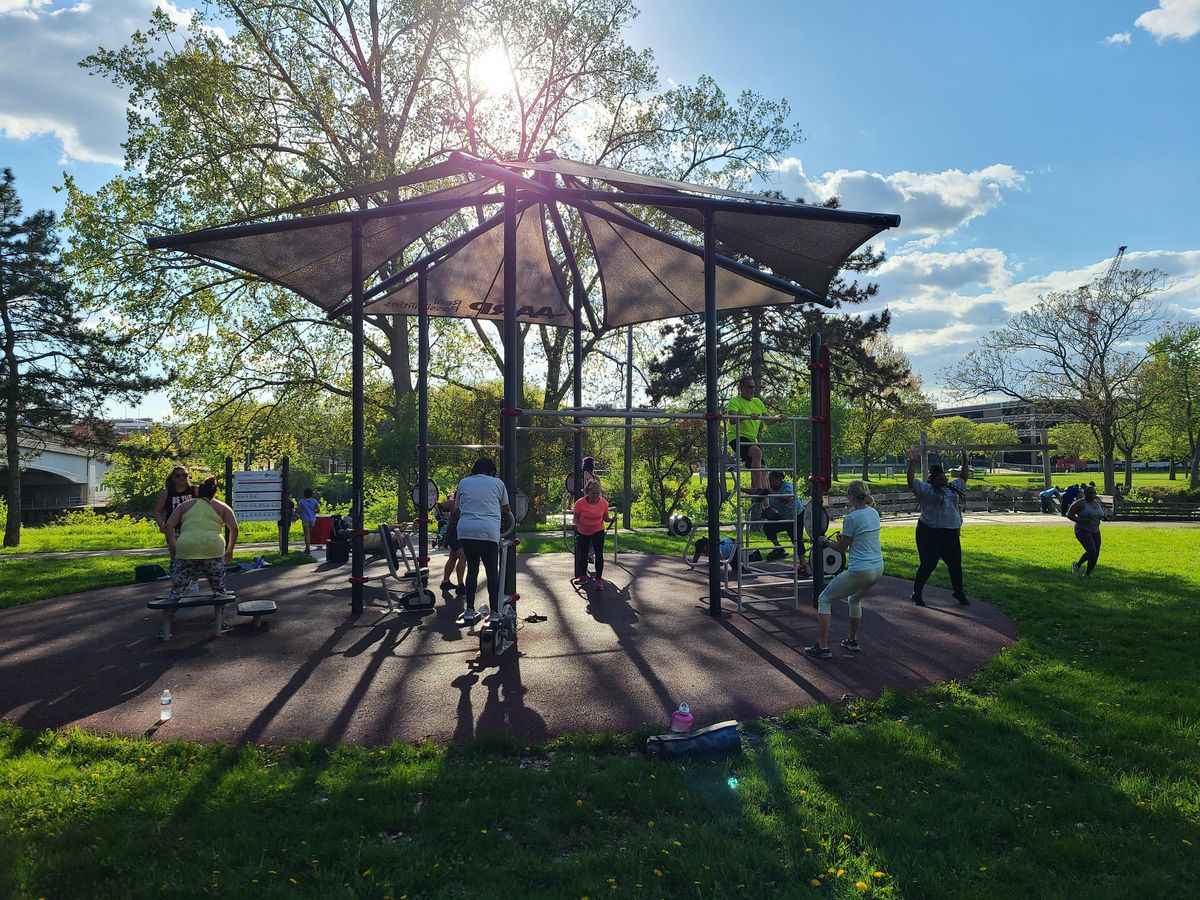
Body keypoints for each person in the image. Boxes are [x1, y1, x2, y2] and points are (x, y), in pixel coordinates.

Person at [804, 480, 883, 659]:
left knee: (824, 599)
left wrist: (824, 542)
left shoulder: (851, 518)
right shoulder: (873, 513)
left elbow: (841, 549)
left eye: (848, 494)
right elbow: (858, 539)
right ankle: (852, 640)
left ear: (852, 496)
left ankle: (823, 648)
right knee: (854, 600)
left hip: (860, 570)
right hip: (877, 568)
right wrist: (842, 539)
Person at [162, 476, 238, 632]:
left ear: (197, 491)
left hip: (186, 546)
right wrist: (230, 549)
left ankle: (168, 623)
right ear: (214, 492)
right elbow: (234, 528)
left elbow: (168, 526)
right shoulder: (222, 507)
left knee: (178, 588)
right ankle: (221, 622)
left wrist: (174, 546)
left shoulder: (185, 506)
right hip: (213, 548)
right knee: (218, 588)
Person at [907, 448, 970, 607]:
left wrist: (964, 459)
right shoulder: (926, 491)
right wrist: (912, 463)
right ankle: (917, 593)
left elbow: (963, 477)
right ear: (933, 480)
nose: (944, 481)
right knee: (928, 564)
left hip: (950, 533)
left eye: (945, 478)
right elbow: (911, 480)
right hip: (929, 532)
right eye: (940, 479)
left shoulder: (952, 489)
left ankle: (959, 592)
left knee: (955, 564)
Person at [453, 457, 512, 618]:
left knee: (472, 568)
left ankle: (470, 609)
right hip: (488, 529)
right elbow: (506, 508)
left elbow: (457, 510)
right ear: (492, 470)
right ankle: (494, 611)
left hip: (466, 529)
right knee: (492, 570)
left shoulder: (464, 482)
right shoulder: (498, 483)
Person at [726, 376, 781, 495]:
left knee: (762, 468)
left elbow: (767, 421)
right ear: (741, 388)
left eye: (754, 387)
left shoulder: (758, 402)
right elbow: (732, 419)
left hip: (751, 439)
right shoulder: (735, 401)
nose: (752, 389)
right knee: (757, 452)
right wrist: (747, 416)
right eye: (749, 387)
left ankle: (766, 506)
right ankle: (759, 488)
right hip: (736, 437)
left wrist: (777, 418)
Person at [761, 470, 809, 573]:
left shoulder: (787, 486)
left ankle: (803, 564)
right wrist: (740, 488)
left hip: (797, 516)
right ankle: (779, 548)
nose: (770, 483)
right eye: (769, 480)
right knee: (768, 527)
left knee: (796, 539)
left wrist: (772, 494)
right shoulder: (771, 489)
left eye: (772, 480)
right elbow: (757, 491)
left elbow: (787, 499)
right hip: (784, 517)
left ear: (779, 479)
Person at [572, 480, 616, 588]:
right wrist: (575, 525)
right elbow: (576, 518)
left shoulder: (603, 503)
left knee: (599, 554)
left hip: (598, 530)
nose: (596, 496)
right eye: (593, 493)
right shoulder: (580, 503)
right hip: (583, 531)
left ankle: (598, 580)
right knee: (583, 555)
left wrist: (611, 519)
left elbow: (605, 518)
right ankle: (583, 577)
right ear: (588, 492)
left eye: (598, 493)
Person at [1067, 484, 1106, 577]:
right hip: (1082, 529)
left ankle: (1087, 574)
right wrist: (1080, 520)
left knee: (1096, 553)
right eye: (1090, 493)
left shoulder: (1096, 503)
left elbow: (1099, 513)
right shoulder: (1079, 503)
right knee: (1092, 551)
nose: (1093, 495)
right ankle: (1077, 565)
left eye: (1094, 493)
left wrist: (1104, 517)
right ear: (1085, 494)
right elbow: (1069, 515)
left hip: (1095, 530)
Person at [440, 495, 467, 594]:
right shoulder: (454, 503)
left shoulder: (467, 504)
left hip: (458, 534)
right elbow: (441, 505)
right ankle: (461, 585)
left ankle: (445, 582)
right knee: (463, 557)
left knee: (453, 557)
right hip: (454, 534)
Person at [297, 487, 320, 554]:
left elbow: (298, 510)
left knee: (306, 534)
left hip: (305, 519)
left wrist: (300, 512)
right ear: (311, 494)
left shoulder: (302, 501)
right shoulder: (314, 501)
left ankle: (308, 549)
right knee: (310, 533)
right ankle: (308, 548)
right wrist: (313, 512)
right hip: (312, 519)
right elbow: (318, 510)